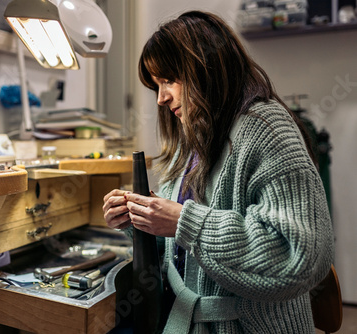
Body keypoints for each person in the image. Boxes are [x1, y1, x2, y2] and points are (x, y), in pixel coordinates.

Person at [103, 10, 334, 333]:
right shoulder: (193, 142)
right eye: (156, 85)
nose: (161, 98)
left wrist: (185, 221)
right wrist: (142, 220)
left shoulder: (267, 129)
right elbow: (181, 251)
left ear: (204, 67)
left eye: (168, 80)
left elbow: (298, 259)